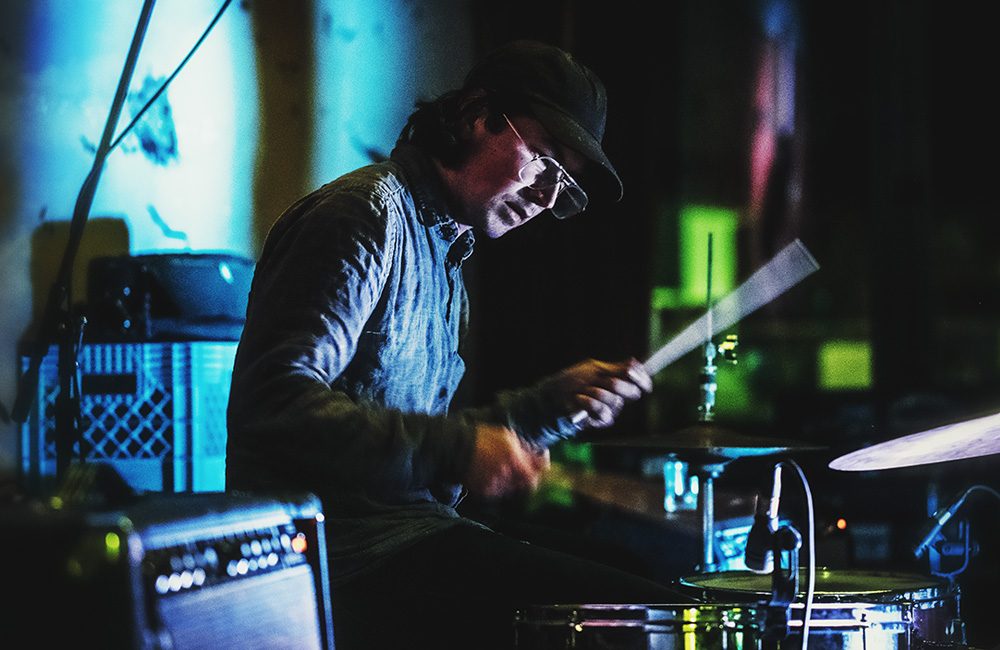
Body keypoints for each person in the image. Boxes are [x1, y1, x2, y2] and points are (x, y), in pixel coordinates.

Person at [226, 40, 690, 649]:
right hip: (343, 555)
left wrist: (542, 411)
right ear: (476, 115)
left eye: (565, 186)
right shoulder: (364, 217)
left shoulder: (446, 253)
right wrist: (459, 447)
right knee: (642, 616)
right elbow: (274, 404)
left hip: (410, 532)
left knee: (650, 574)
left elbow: (422, 445)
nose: (548, 199)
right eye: (545, 162)